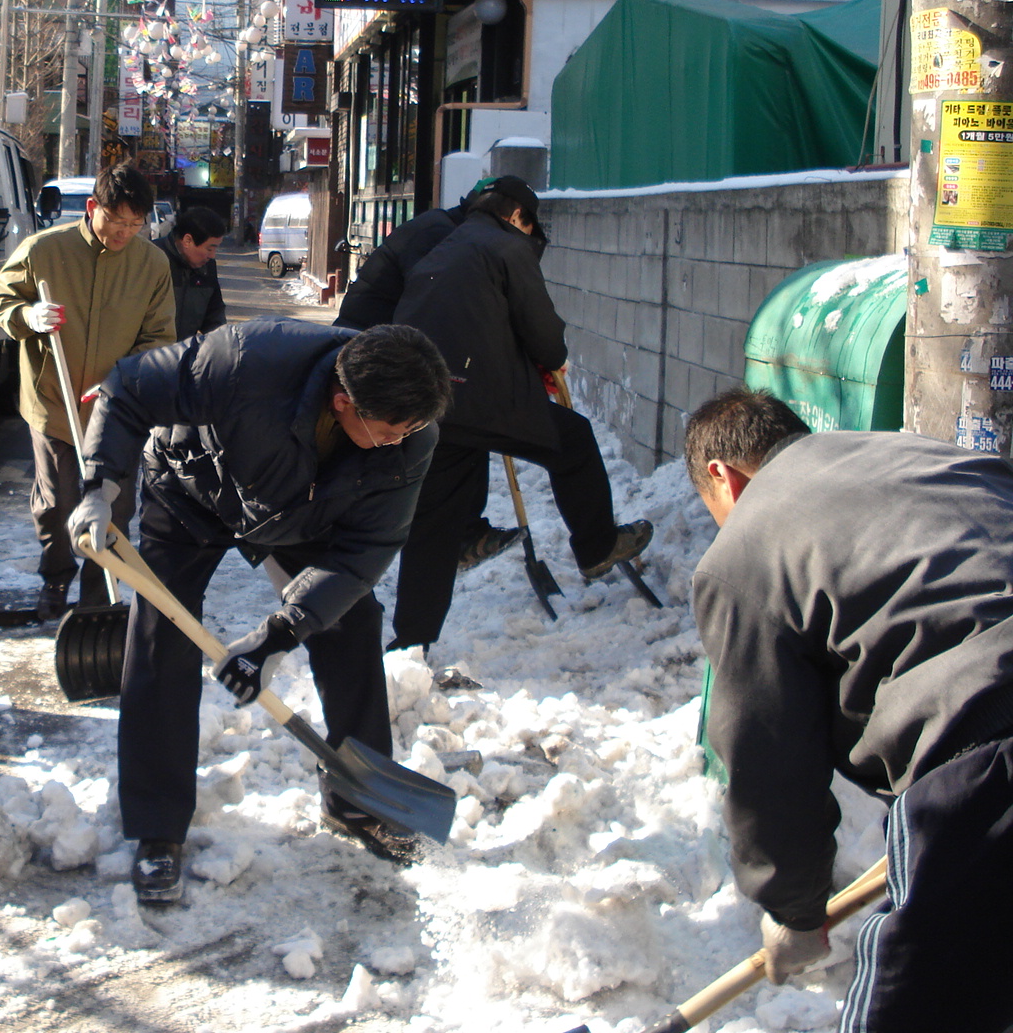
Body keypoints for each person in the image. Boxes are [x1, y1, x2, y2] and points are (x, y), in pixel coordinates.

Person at [66, 320, 452, 902]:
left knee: (352, 622)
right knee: (159, 636)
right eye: (393, 431)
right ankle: (157, 828)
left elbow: (360, 556)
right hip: (194, 487)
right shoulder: (244, 362)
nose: (405, 439)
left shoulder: (410, 438)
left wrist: (278, 635)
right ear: (345, 402)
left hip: (301, 512)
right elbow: (129, 388)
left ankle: (358, 800)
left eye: (412, 429)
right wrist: (99, 487)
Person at [685, 388, 1013, 1033]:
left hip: (988, 740)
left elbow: (767, 751)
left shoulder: (748, 547)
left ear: (722, 475)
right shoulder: (928, 458)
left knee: (918, 1005)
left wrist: (794, 908)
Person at [386, 182, 651, 653]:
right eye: (531, 225)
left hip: (426, 394)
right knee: (572, 442)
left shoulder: (446, 247)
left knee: (435, 523)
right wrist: (545, 357)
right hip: (478, 395)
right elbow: (545, 336)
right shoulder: (508, 247)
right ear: (515, 216)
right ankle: (597, 546)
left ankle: (410, 642)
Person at [0, 162, 176, 618]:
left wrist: (121, 381)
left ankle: (97, 597)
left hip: (117, 410)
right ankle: (55, 577)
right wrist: (28, 317)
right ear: (93, 208)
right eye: (116, 221)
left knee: (113, 508)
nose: (124, 233)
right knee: (56, 504)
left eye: (135, 225)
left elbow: (159, 337)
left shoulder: (151, 264)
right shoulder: (43, 250)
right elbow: (1, 300)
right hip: (53, 401)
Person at [336, 175, 526, 569]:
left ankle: (463, 531)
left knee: (460, 430)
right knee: (419, 433)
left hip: (382, 340)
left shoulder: (450, 231)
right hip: (369, 346)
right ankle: (415, 531)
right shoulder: (441, 235)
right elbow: (432, 304)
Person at [154, 205, 227, 340]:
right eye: (209, 249)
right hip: (146, 356)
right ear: (188, 240)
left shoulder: (207, 268)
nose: (212, 256)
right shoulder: (151, 257)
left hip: (183, 355)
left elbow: (214, 318)